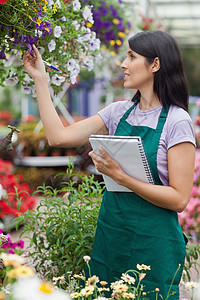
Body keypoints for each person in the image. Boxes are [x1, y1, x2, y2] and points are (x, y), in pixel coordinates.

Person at [23, 30, 195, 299]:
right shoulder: (118, 112)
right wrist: (41, 80)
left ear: (155, 65)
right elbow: (58, 137)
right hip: (112, 236)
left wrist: (121, 177)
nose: (123, 64)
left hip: (154, 245)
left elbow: (179, 199)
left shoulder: (177, 121)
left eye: (131, 56)